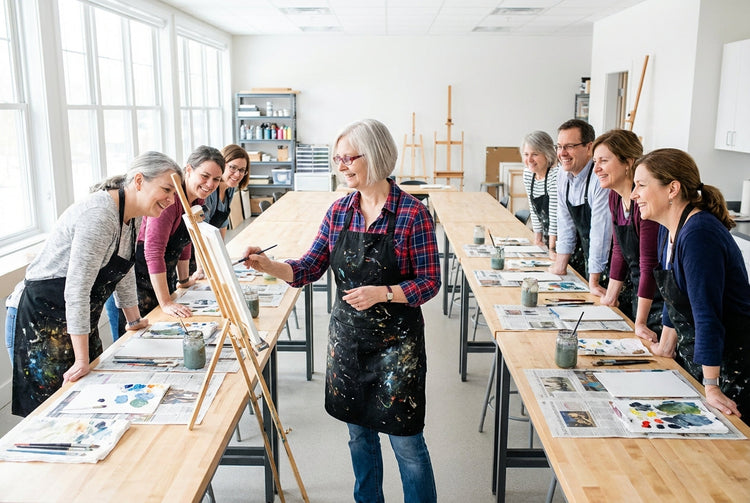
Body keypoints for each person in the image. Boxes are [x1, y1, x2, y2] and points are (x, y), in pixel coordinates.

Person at [242, 119, 441, 502]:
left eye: (349, 158)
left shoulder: (412, 214)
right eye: (338, 158)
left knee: (407, 444)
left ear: (376, 155)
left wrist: (384, 293)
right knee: (359, 438)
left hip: (398, 349)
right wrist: (269, 266)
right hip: (349, 342)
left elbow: (430, 281)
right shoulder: (339, 212)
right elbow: (308, 267)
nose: (341, 166)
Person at [11, 152, 181, 416]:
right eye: (166, 189)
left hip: (76, 320)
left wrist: (134, 319)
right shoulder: (100, 214)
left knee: (89, 401)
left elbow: (123, 270)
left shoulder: (132, 213)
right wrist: (82, 359)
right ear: (139, 180)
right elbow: (77, 289)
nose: (171, 200)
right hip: (43, 318)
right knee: (53, 410)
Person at [631, 148, 750, 422]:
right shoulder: (668, 227)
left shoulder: (699, 235)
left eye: (641, 185)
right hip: (705, 363)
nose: (634, 194)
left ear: (672, 189)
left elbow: (707, 315)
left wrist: (712, 387)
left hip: (732, 367)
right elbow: (673, 297)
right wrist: (665, 345)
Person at [134, 145, 224, 318]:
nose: (210, 184)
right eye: (205, 176)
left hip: (162, 275)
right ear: (189, 169)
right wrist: (165, 302)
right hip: (141, 277)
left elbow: (185, 241)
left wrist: (183, 281)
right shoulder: (170, 200)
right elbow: (153, 252)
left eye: (217, 179)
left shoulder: (197, 201)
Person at [593, 129, 663, 338]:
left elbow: (648, 264)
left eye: (603, 161)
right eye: (595, 161)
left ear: (628, 162)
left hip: (657, 301)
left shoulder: (644, 202)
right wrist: (610, 298)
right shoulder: (614, 197)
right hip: (638, 294)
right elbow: (619, 250)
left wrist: (640, 322)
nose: (596, 169)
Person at [549, 119, 612, 295]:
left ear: (589, 147)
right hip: (588, 255)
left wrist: (594, 281)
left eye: (569, 146)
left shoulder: (599, 179)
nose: (562, 153)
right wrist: (560, 266)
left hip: (609, 260)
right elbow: (565, 224)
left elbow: (601, 233)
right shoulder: (562, 174)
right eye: (559, 146)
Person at [520, 130, 559, 254]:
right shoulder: (528, 174)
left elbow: (554, 217)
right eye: (526, 154)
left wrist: (552, 249)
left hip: (561, 238)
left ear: (547, 154)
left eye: (535, 154)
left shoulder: (555, 174)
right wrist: (538, 240)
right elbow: (533, 209)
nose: (529, 159)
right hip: (548, 238)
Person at [204, 144, 250, 239]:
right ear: (221, 164)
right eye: (233, 167)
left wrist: (222, 250)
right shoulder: (209, 191)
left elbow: (223, 223)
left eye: (242, 170)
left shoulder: (230, 188)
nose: (237, 174)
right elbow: (204, 231)